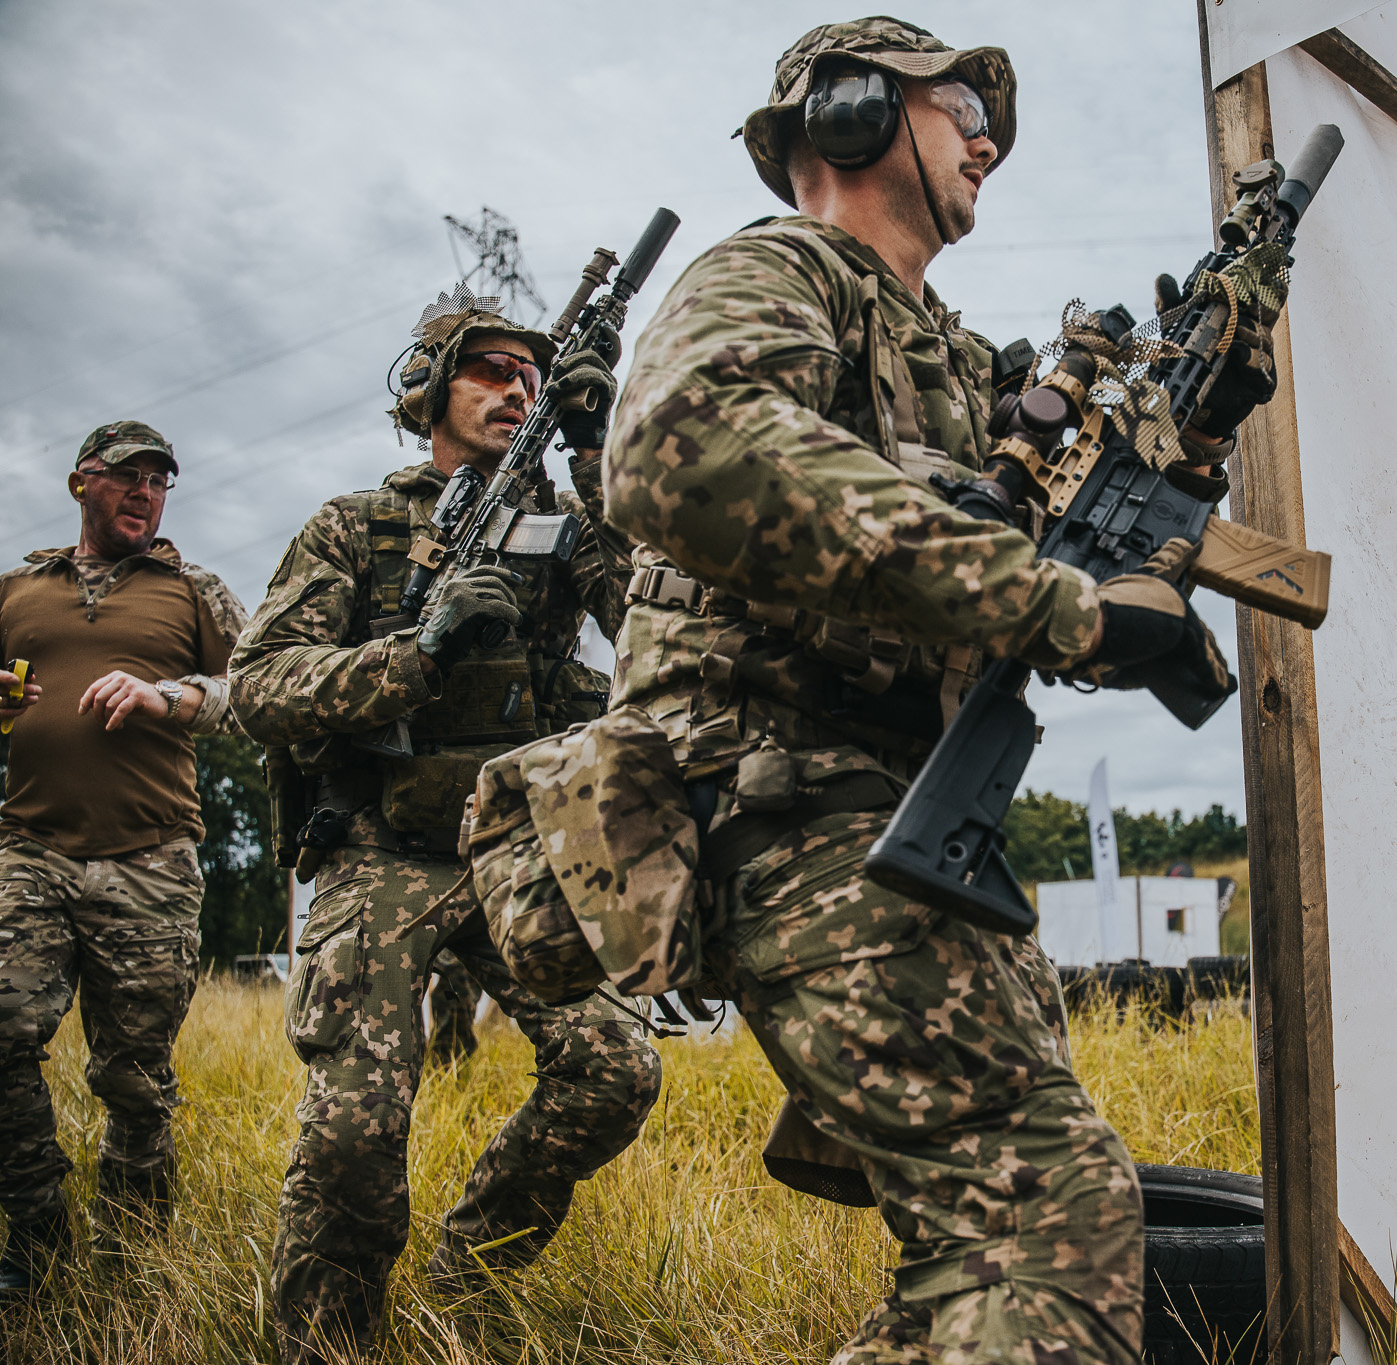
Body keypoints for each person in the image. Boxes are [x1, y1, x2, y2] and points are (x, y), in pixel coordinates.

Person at [602, 18, 1261, 1363]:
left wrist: (1196, 426)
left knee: (991, 1246)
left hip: (911, 824)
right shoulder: (782, 269)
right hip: (786, 803)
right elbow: (677, 443)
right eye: (962, 108)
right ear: (850, 111)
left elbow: (1056, 548)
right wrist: (1055, 604)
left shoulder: (952, 360)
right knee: (1047, 1219)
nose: (988, 141)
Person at [230, 287, 660, 1364]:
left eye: (531, 376)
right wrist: (413, 656)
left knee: (615, 1068)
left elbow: (654, 623)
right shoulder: (355, 526)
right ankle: (326, 1347)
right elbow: (259, 685)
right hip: (384, 849)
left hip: (524, 848)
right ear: (427, 389)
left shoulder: (566, 523)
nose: (517, 389)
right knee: (355, 1126)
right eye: (491, 371)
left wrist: (598, 452)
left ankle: (466, 1274)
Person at [0, 421, 247, 1294]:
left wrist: (167, 694)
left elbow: (261, 692)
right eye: (128, 475)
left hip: (150, 862)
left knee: (134, 1079)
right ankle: (35, 1235)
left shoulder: (192, 590)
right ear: (82, 482)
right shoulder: (17, 589)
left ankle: (133, 1262)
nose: (146, 491)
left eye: (159, 480)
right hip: (28, 849)